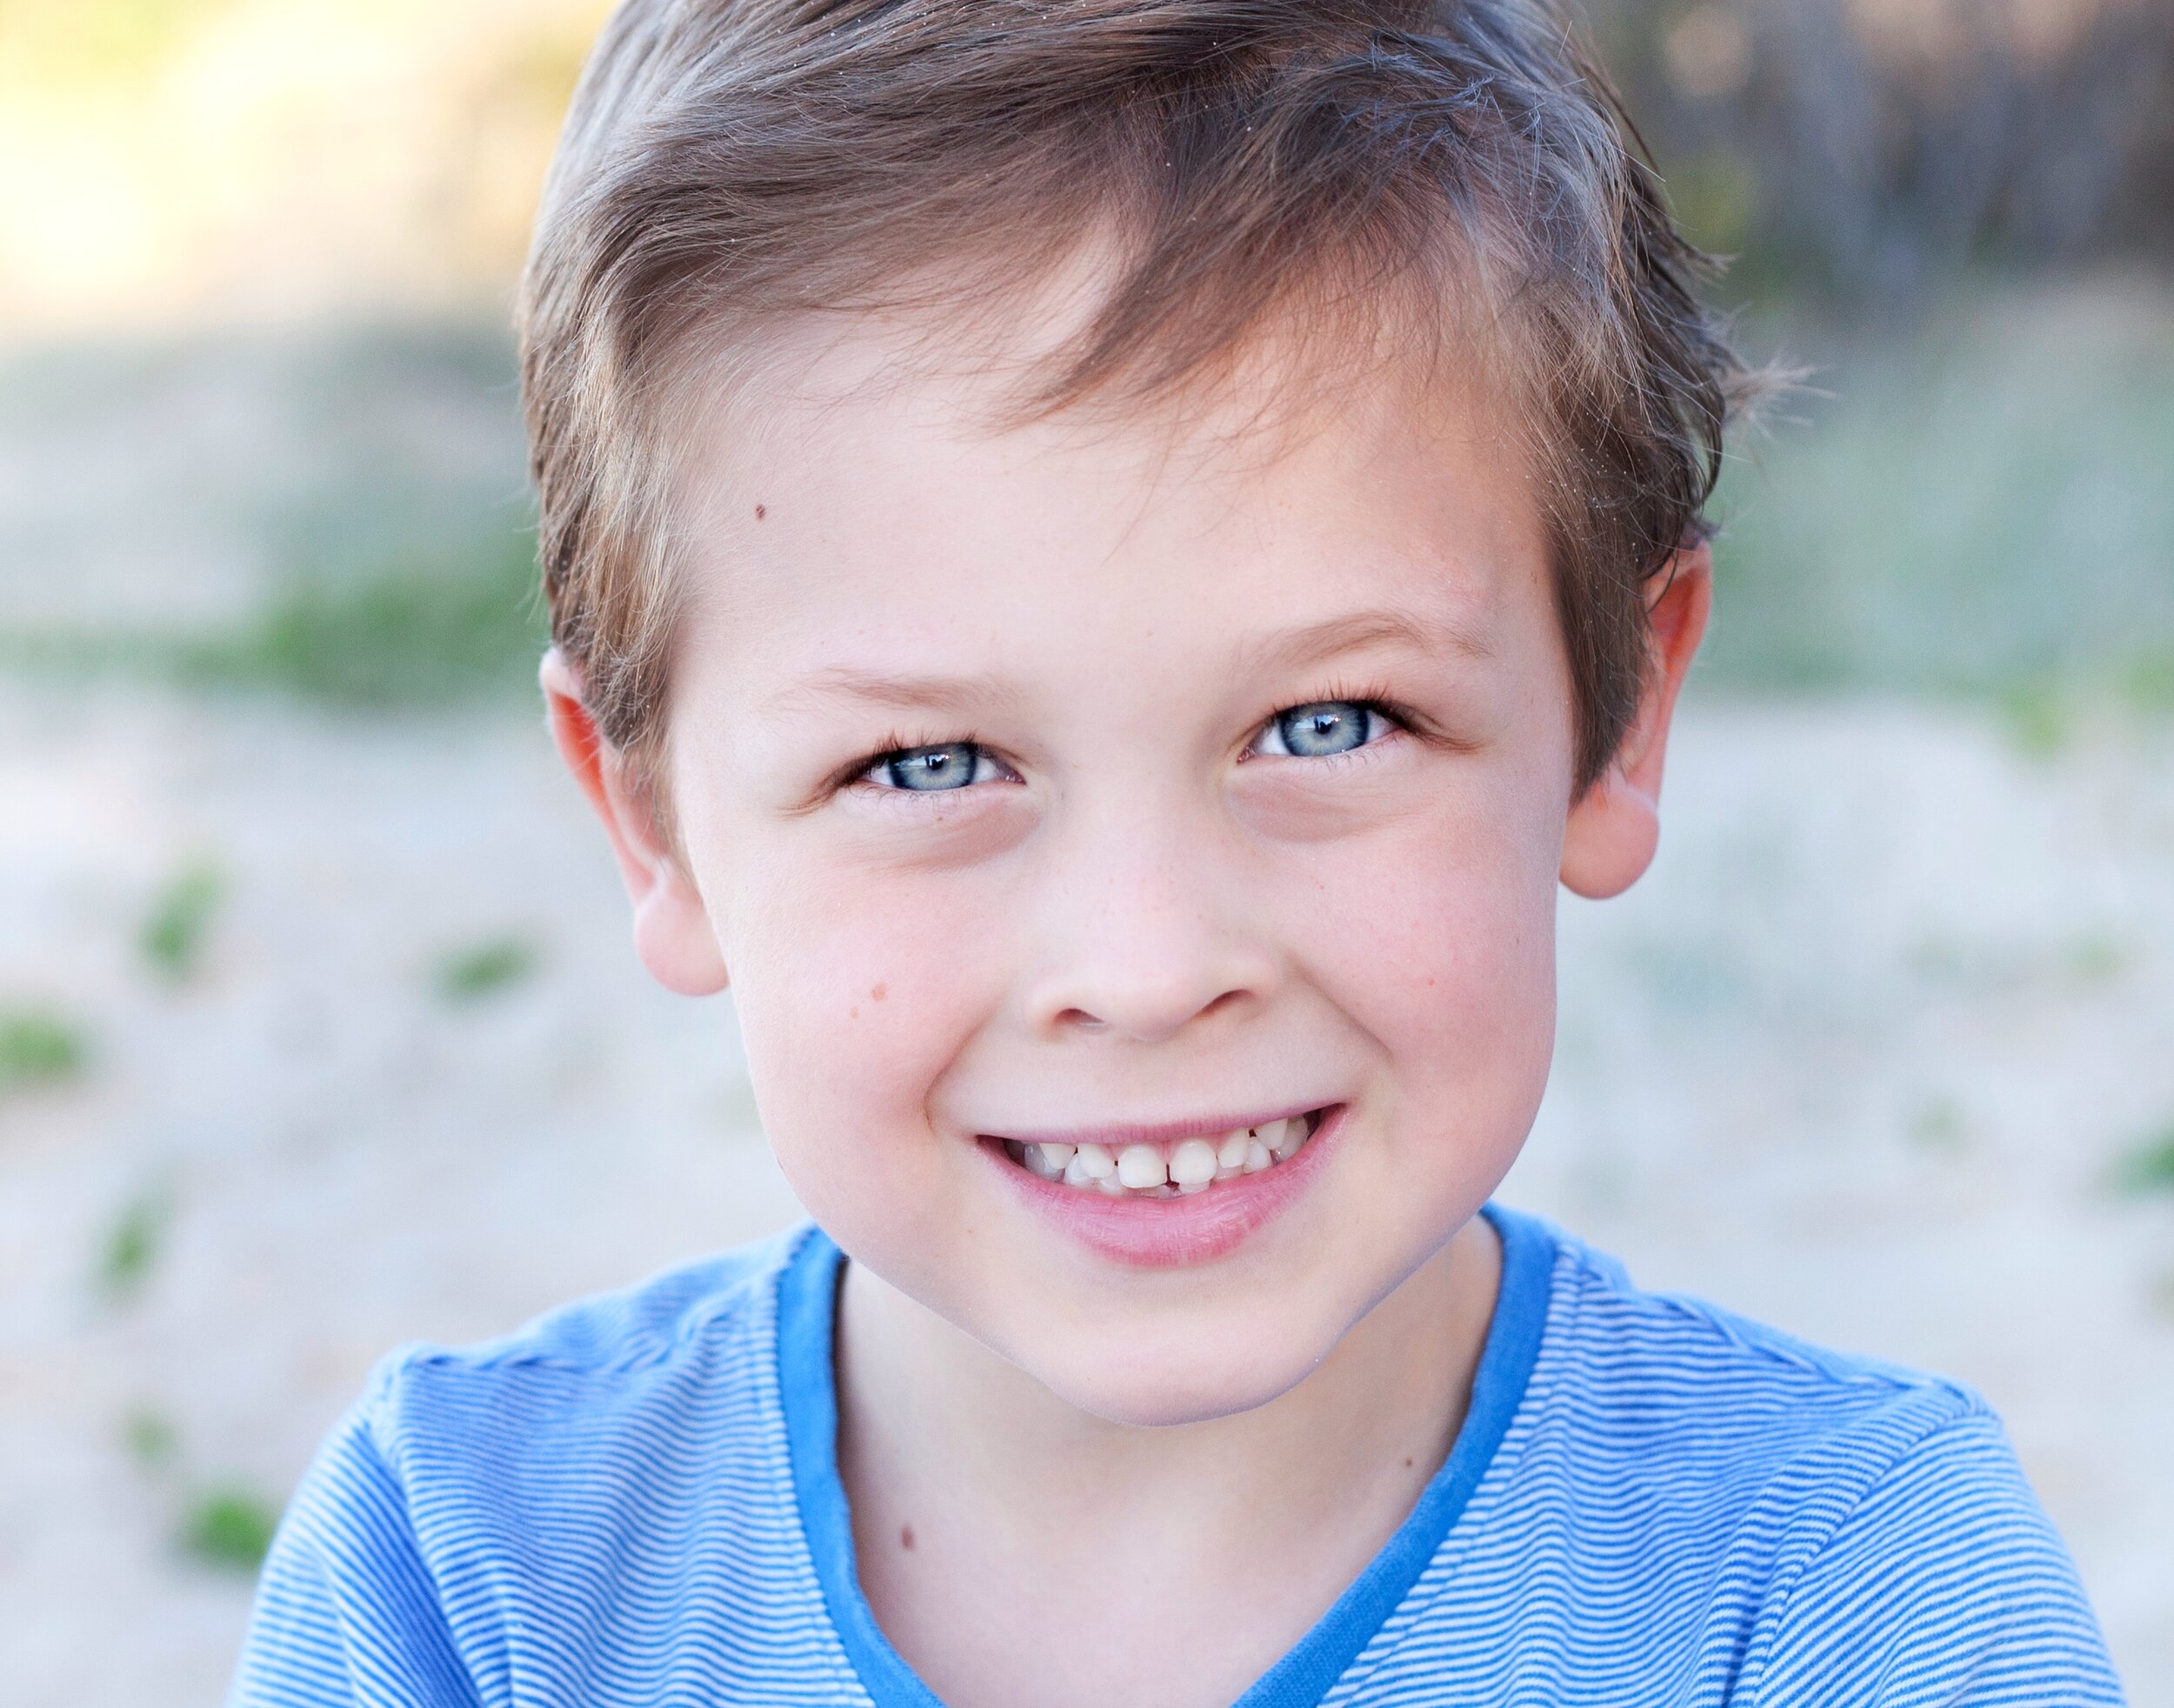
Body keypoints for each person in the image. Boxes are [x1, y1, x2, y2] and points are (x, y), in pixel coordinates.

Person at [230, 2, 2124, 1703]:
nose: (1144, 966)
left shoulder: (1843, 1598)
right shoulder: (470, 1585)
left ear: (1618, 710)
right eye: (929, 762)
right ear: (649, 819)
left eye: (1325, 726)